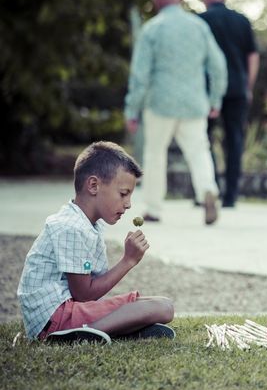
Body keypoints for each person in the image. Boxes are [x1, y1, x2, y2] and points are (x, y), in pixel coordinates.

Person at [17, 141, 175, 343]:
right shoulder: (71, 226)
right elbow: (84, 294)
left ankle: (111, 329)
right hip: (54, 319)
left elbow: (88, 293)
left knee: (162, 304)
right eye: (123, 194)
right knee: (163, 308)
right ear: (93, 185)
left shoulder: (87, 224)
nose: (128, 204)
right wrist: (128, 261)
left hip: (68, 310)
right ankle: (82, 335)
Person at [125, 0, 227, 225]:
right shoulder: (198, 26)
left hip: (160, 104)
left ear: (156, 1)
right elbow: (218, 65)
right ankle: (207, 192)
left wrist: (132, 109)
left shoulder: (152, 29)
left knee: (155, 154)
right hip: (194, 103)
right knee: (199, 151)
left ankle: (154, 208)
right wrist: (215, 99)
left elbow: (140, 75)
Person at [198, 0, 260, 208]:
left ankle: (210, 190)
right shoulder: (241, 20)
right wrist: (248, 87)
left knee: (204, 141)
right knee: (234, 141)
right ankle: (231, 196)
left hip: (208, 91)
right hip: (237, 89)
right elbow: (253, 56)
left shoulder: (200, 21)